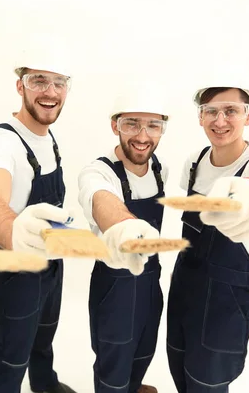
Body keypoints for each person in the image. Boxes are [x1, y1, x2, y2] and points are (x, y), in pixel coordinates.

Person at [166, 76, 249, 392]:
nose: (220, 121)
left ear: (248, 115)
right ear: (200, 116)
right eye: (211, 111)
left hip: (226, 298)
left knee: (207, 380)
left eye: (231, 110)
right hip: (185, 283)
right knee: (178, 362)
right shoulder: (193, 163)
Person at [0, 41, 77, 393]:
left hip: (52, 263)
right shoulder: (2, 142)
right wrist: (15, 233)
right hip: (17, 271)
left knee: (44, 335)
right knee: (11, 351)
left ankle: (44, 384)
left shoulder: (48, 137)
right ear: (20, 86)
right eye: (38, 81)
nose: (50, 92)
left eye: (58, 83)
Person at [77, 86, 170, 393]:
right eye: (131, 124)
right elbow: (102, 202)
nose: (142, 136)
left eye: (153, 126)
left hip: (150, 282)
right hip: (115, 287)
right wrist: (128, 229)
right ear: (114, 124)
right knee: (112, 367)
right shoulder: (98, 173)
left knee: (143, 351)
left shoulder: (160, 170)